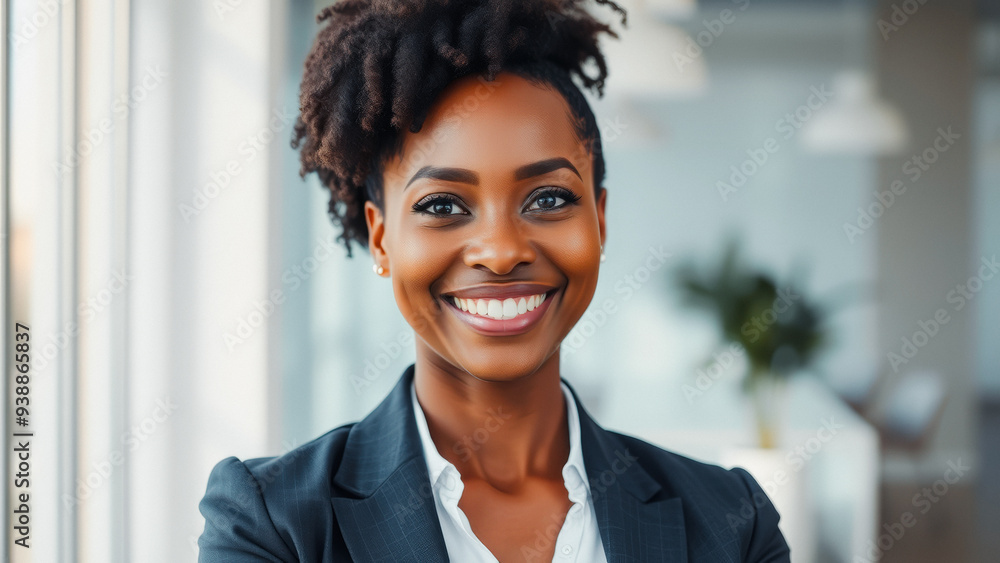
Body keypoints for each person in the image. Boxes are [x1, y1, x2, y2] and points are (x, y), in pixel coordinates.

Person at [197, 0, 791, 561]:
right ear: (381, 238)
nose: (503, 252)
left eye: (549, 198)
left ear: (600, 221)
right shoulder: (272, 525)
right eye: (442, 206)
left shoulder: (732, 523)